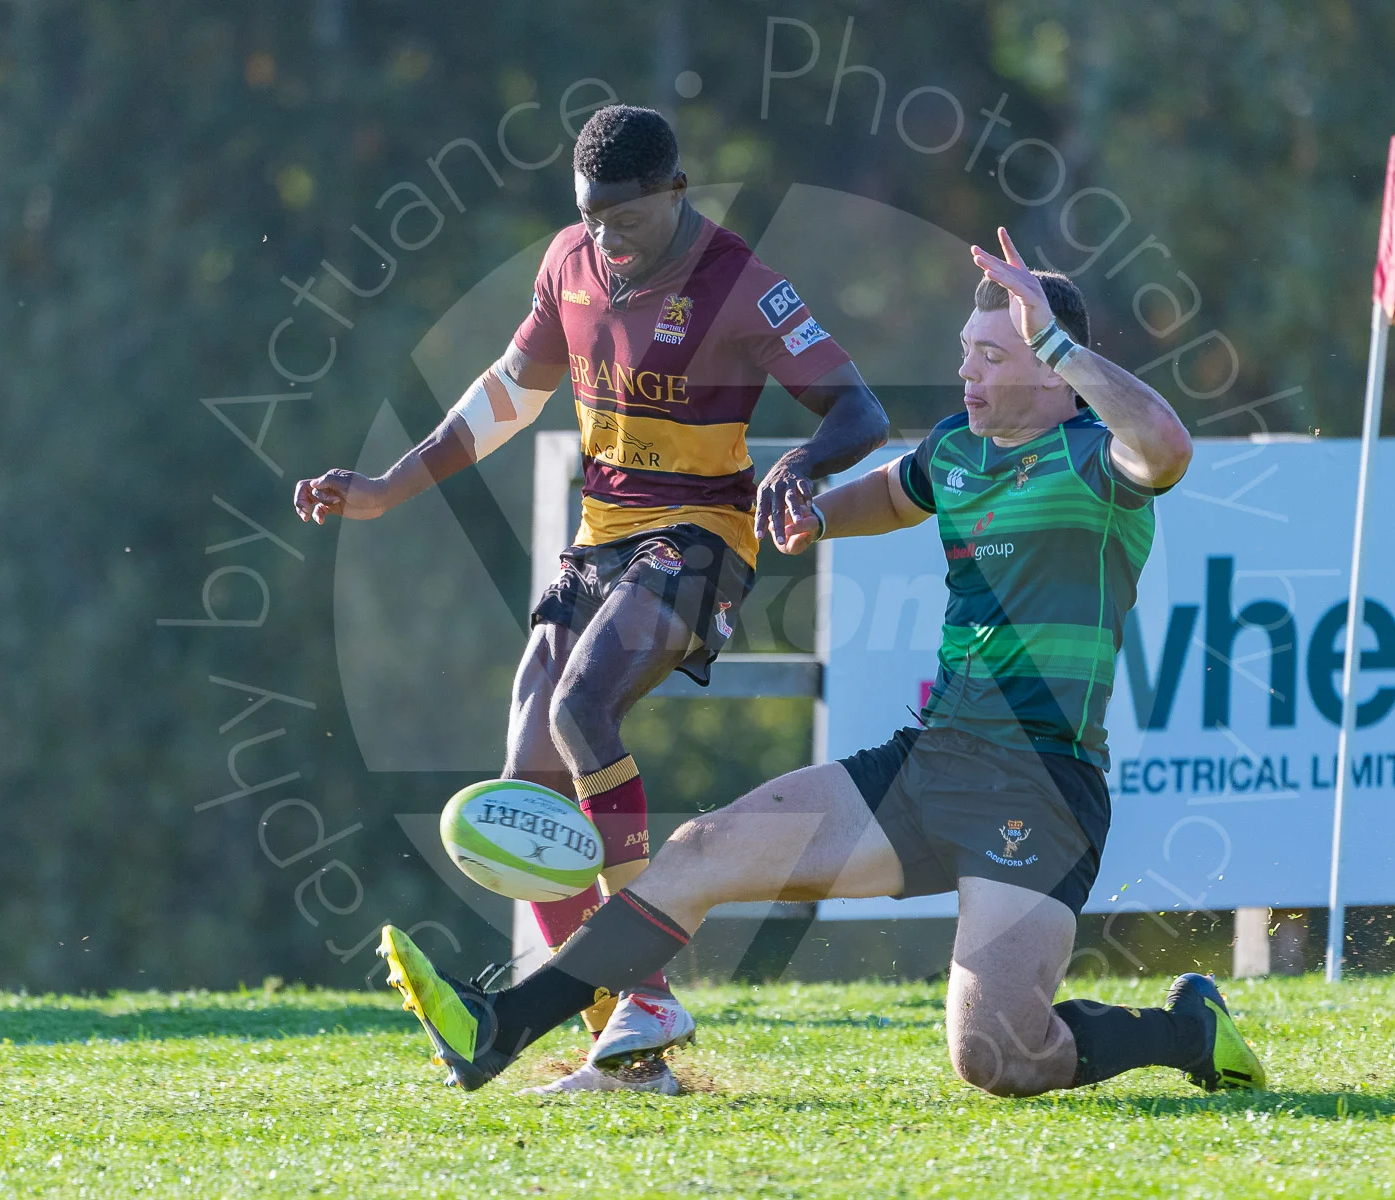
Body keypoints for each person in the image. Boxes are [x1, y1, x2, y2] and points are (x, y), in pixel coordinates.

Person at [376, 228, 1268, 1099]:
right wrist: (814, 516)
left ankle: (1186, 1031)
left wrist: (1060, 341)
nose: (968, 372)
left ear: (1049, 366)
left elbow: (1169, 445)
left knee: (996, 1056)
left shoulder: (1100, 462)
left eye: (994, 357)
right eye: (967, 352)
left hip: (1041, 788)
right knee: (700, 854)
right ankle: (501, 1027)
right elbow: (891, 492)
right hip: (930, 765)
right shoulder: (956, 448)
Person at [293, 105, 889, 1095]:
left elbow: (857, 406)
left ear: (676, 191)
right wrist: (386, 486)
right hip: (602, 537)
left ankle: (641, 997)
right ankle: (632, 1030)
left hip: (701, 538)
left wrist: (805, 471)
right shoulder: (567, 263)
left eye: (627, 221)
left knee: (582, 711)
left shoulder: (742, 284)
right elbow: (506, 394)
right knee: (529, 772)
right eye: (591, 218)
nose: (607, 240)